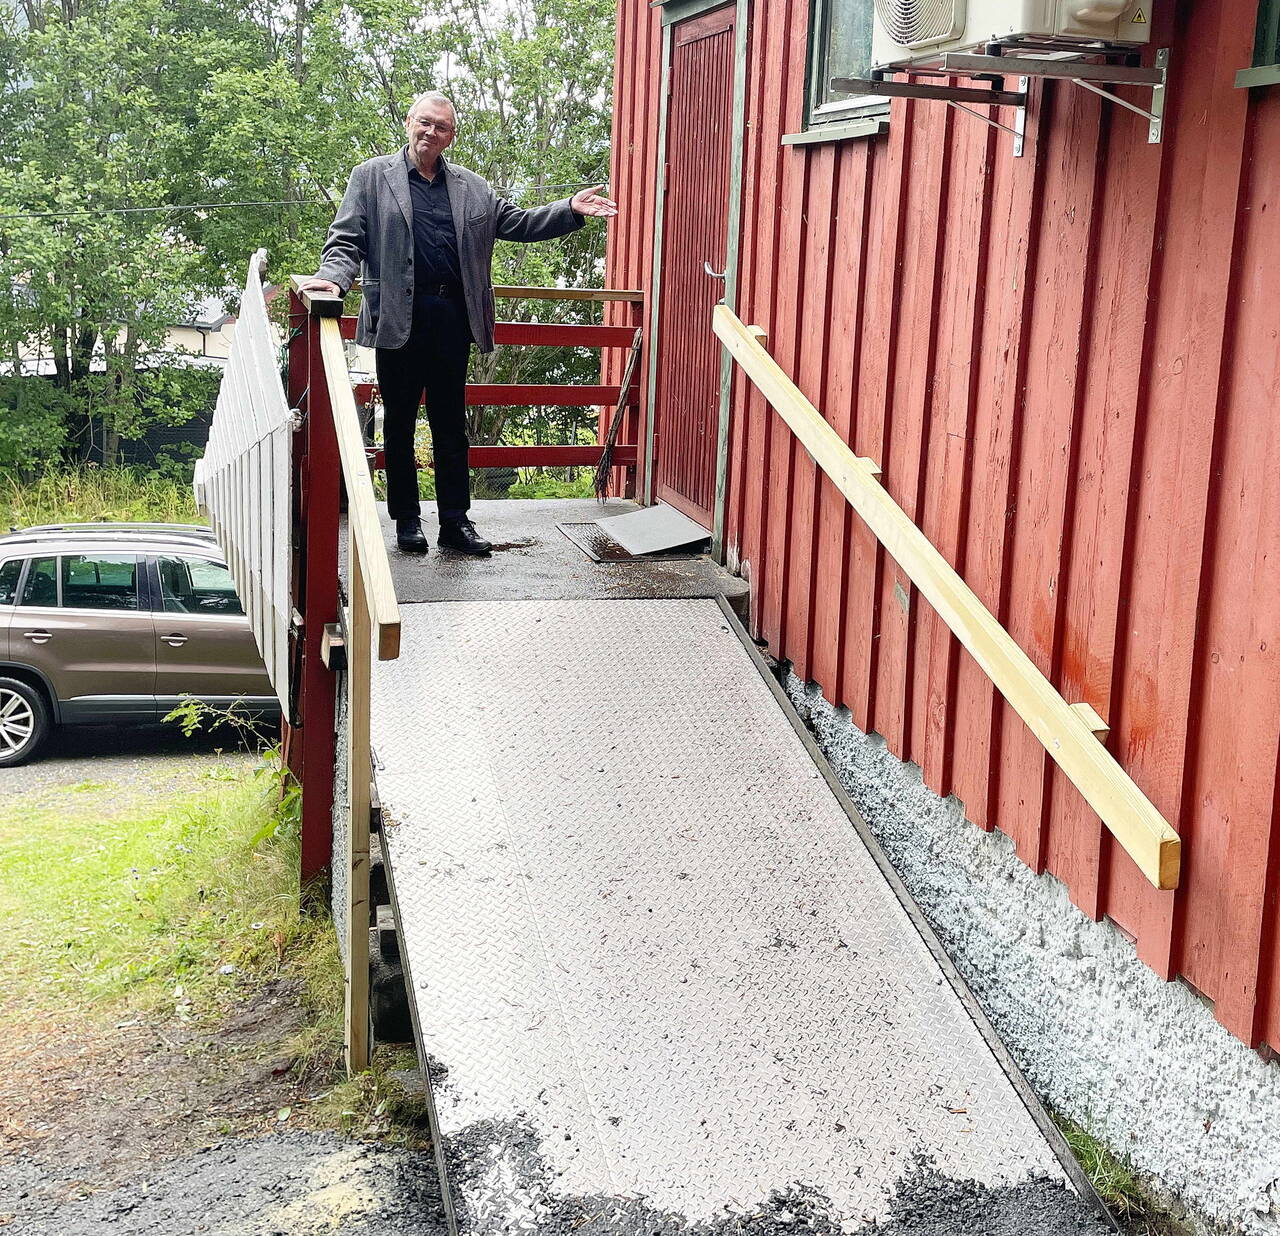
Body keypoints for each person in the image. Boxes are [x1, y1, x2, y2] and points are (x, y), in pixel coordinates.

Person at [299, 91, 617, 555]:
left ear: (451, 136)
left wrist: (569, 207)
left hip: (451, 318)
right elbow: (347, 238)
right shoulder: (370, 177)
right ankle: (407, 520)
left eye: (441, 127)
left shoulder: (472, 187)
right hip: (397, 319)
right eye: (424, 122)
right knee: (400, 424)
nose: (431, 132)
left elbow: (518, 222)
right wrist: (332, 280)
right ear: (410, 122)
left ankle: (455, 522)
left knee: (451, 426)